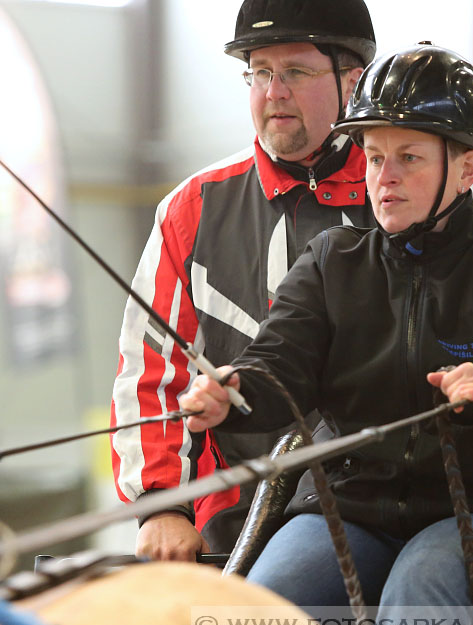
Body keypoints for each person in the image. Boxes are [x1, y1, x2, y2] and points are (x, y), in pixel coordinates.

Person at [179, 43, 473, 625]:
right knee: (264, 607)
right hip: (347, 508)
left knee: (421, 594)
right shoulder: (333, 261)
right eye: (375, 158)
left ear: (466, 168)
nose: (385, 178)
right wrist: (231, 393)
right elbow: (280, 365)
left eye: (409, 158)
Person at [109, 0, 377, 561]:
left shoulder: (400, 198)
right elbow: (151, 374)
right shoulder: (192, 209)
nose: (273, 92)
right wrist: (163, 504)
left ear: (352, 81)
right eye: (259, 72)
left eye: (296, 72)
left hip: (381, 503)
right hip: (231, 516)